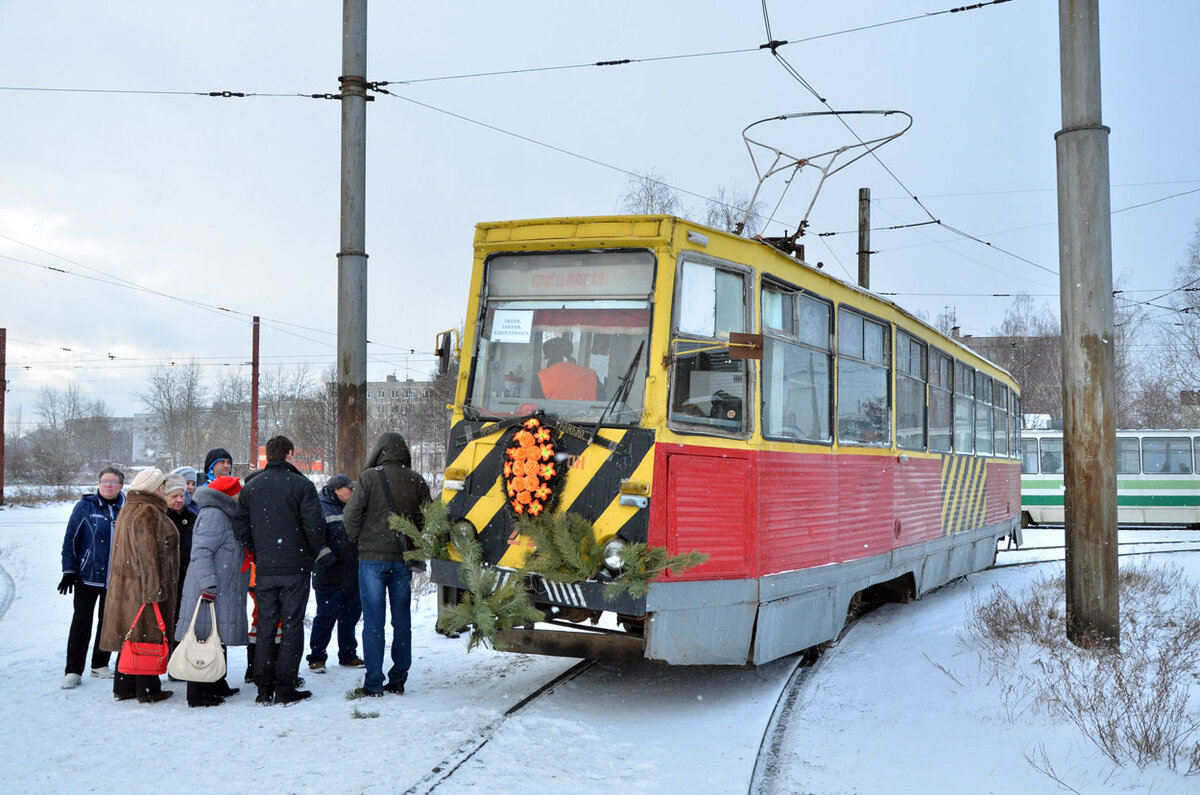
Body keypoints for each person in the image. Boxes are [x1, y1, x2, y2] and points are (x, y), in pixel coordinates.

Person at [233, 435, 325, 705]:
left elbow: (240, 526)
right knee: (293, 626)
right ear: (289, 454)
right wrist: (309, 554)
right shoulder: (301, 485)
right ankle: (285, 686)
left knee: (266, 626)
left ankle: (263, 688)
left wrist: (259, 550)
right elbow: (315, 527)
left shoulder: (252, 487)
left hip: (265, 568)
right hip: (295, 568)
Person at [344, 432, 431, 697]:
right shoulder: (416, 479)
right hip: (402, 560)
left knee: (373, 622)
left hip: (371, 559)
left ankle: (373, 683)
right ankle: (398, 679)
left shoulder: (369, 477)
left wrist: (359, 539)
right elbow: (426, 516)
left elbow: (351, 515)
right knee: (401, 620)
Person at [98, 468, 180, 704]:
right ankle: (148, 689)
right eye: (162, 487)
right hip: (144, 587)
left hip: (127, 587)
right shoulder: (147, 511)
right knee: (146, 637)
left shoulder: (130, 508)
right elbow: (148, 555)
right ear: (152, 488)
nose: (164, 491)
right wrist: (155, 590)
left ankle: (124, 686)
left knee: (130, 636)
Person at [176, 475, 250, 708]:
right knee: (203, 635)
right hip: (209, 587)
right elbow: (201, 552)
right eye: (238, 491)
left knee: (217, 635)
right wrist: (208, 584)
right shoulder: (214, 515)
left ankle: (216, 682)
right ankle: (198, 693)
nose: (241, 495)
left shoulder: (223, 513)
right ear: (228, 494)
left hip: (221, 585)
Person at [58, 466, 126, 689]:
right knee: (81, 623)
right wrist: (69, 570)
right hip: (87, 578)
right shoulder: (84, 507)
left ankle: (100, 664)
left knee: (108, 623)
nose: (108, 485)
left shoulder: (125, 508)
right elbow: (70, 540)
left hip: (115, 579)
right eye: (105, 481)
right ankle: (73, 670)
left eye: (113, 482)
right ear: (98, 484)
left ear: (121, 486)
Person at [307, 474, 364, 673]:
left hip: (352, 572)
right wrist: (325, 558)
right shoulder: (319, 507)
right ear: (336, 490)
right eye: (349, 489)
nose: (352, 491)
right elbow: (313, 538)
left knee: (350, 617)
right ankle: (317, 657)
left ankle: (348, 654)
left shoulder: (354, 505)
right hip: (329, 574)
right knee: (325, 617)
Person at [163, 474, 196, 630]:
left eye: (182, 496)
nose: (179, 500)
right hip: (167, 579)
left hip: (187, 577)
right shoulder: (160, 517)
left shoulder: (191, 517)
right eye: (174, 496)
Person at [536, 336, 599, 400]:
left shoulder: (541, 376)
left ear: (549, 359)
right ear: (569, 355)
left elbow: (535, 405)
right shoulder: (591, 375)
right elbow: (603, 402)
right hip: (586, 410)